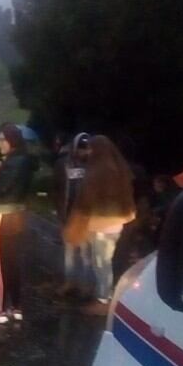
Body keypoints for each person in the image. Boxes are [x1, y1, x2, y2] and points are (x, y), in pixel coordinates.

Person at [63, 135, 136, 316]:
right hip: (115, 223)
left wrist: (76, 221)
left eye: (91, 149)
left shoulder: (100, 171)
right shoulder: (118, 169)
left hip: (103, 224)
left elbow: (86, 200)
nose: (88, 152)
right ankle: (102, 296)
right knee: (103, 261)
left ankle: (104, 300)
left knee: (101, 262)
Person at [0, 124, 37, 324]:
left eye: (2, 139)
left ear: (11, 141)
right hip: (18, 214)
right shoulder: (26, 161)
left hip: (2, 215)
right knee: (12, 261)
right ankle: (16, 306)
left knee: (0, 264)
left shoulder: (10, 163)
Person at [54, 133, 92, 297]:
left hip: (87, 216)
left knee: (85, 253)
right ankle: (70, 282)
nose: (85, 152)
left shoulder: (93, 165)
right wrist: (59, 209)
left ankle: (85, 285)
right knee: (69, 252)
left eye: (88, 149)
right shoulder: (63, 164)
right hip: (68, 214)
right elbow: (56, 188)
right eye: (82, 149)